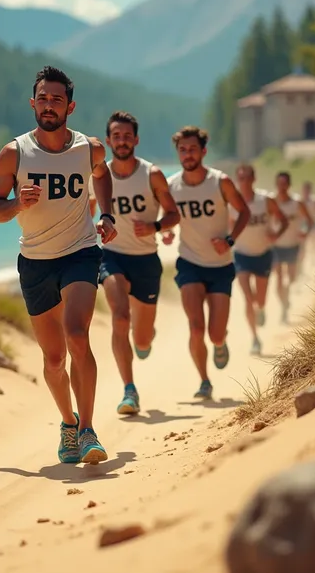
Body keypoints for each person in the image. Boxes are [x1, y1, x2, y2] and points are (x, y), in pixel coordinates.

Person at [0, 65, 117, 465]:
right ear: (32, 103)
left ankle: (90, 430)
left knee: (78, 334)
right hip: (35, 262)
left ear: (70, 106)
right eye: (42, 98)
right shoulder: (14, 153)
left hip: (80, 251)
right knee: (54, 359)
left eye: (56, 99)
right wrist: (16, 204)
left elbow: (102, 174)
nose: (48, 105)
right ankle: (68, 422)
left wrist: (107, 216)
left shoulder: (89, 148)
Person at [98, 111, 180, 415]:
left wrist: (156, 228)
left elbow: (174, 214)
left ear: (136, 140)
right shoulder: (99, 175)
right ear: (108, 140)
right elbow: (87, 211)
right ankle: (129, 390)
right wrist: (94, 226)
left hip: (146, 259)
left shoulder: (152, 174)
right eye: (116, 136)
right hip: (112, 256)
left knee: (142, 338)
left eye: (127, 136)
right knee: (120, 318)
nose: (122, 141)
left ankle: (146, 338)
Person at [164, 126, 250, 400]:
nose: (187, 155)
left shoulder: (219, 181)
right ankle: (204, 381)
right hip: (189, 262)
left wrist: (230, 240)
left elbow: (244, 211)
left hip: (221, 265)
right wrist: (166, 233)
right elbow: (167, 217)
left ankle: (221, 342)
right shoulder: (172, 185)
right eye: (182, 150)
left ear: (203, 151)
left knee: (214, 334)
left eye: (192, 149)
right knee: (196, 326)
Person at [230, 164, 288, 355]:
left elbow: (284, 220)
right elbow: (228, 228)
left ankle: (261, 309)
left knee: (260, 299)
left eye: (247, 178)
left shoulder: (266, 200)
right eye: (241, 178)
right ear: (237, 181)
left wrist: (276, 234)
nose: (244, 182)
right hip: (242, 256)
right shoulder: (232, 203)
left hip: (263, 254)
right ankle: (255, 338)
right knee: (248, 297)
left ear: (254, 179)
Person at [272, 171, 313, 324]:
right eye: (279, 184)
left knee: (292, 278)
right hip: (276, 246)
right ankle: (283, 307)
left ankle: (286, 299)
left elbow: (309, 221)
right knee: (279, 279)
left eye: (284, 184)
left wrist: (305, 232)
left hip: (293, 245)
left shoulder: (297, 203)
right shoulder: (272, 202)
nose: (281, 187)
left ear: (289, 185)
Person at [298, 181, 315, 271]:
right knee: (302, 246)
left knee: (314, 244)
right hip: (303, 225)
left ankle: (313, 258)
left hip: (314, 225)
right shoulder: (299, 201)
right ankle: (302, 264)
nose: (306, 192)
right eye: (304, 190)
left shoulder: (314, 201)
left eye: (307, 190)